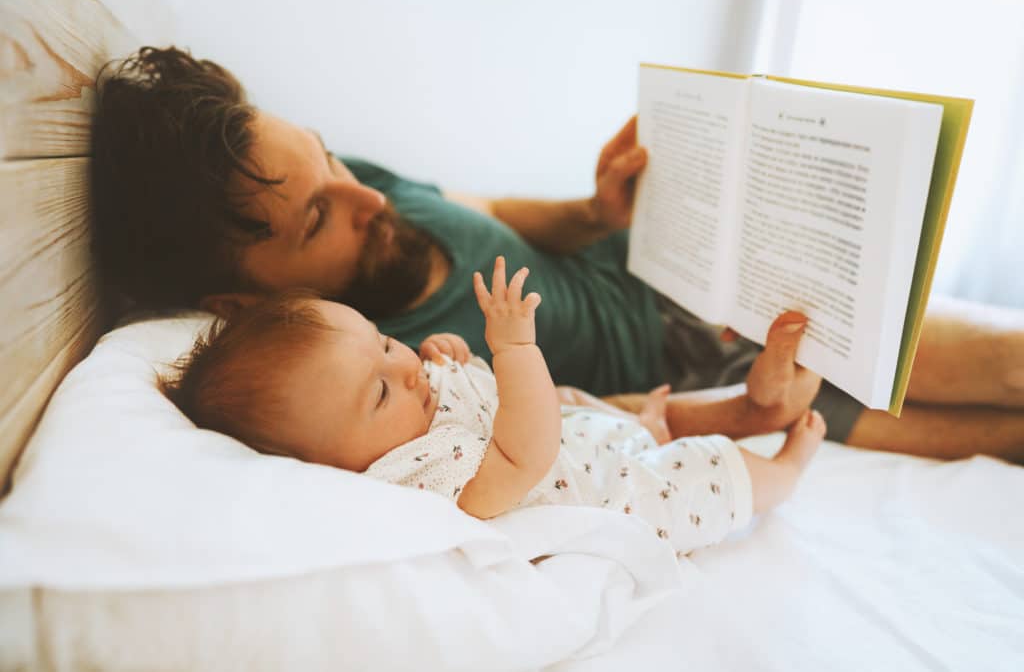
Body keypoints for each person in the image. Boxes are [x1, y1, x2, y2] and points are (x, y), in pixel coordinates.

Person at [91, 46, 1024, 463]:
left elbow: (490, 208)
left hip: (682, 267)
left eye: (327, 155)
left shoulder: (363, 190)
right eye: (319, 217)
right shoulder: (351, 362)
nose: (368, 195)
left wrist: (591, 208)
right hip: (709, 363)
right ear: (242, 298)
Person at [161, 257, 826, 555]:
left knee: (576, 404)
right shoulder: (417, 479)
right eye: (381, 389)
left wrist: (463, 363)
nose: (404, 364)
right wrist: (510, 351)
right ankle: (782, 473)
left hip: (587, 441)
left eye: (386, 341)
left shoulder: (409, 412)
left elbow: (479, 404)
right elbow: (522, 450)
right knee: (709, 469)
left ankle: (645, 426)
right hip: (621, 497)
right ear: (334, 466)